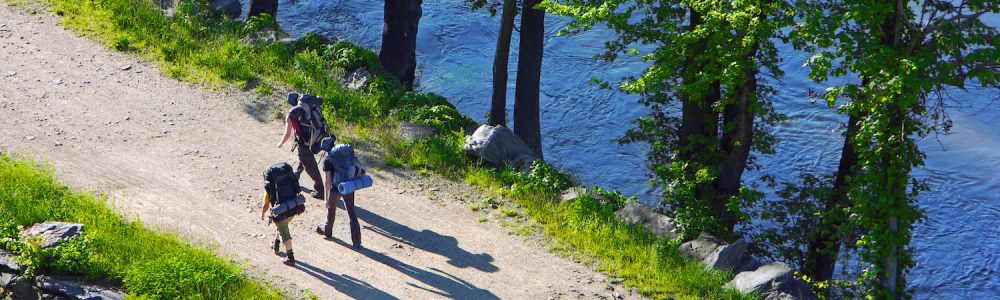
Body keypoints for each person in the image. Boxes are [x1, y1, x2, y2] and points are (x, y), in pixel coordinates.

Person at [315, 137, 362, 248]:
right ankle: (356, 242)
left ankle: (327, 232)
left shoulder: (327, 160)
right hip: (348, 185)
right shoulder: (344, 154)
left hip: (336, 188)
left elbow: (327, 181)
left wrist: (326, 199)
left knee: (331, 211)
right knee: (352, 213)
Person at [277, 93, 324, 199]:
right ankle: (295, 176)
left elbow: (287, 134)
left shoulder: (291, 115)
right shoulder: (310, 110)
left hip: (304, 142)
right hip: (316, 138)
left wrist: (281, 143)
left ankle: (320, 190)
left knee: (310, 165)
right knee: (303, 158)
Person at [261, 187, 297, 266]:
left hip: (281, 212)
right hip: (292, 209)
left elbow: (266, 204)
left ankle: (290, 258)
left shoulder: (270, 184)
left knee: (285, 234)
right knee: (281, 227)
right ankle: (276, 245)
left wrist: (262, 214)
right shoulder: (287, 177)